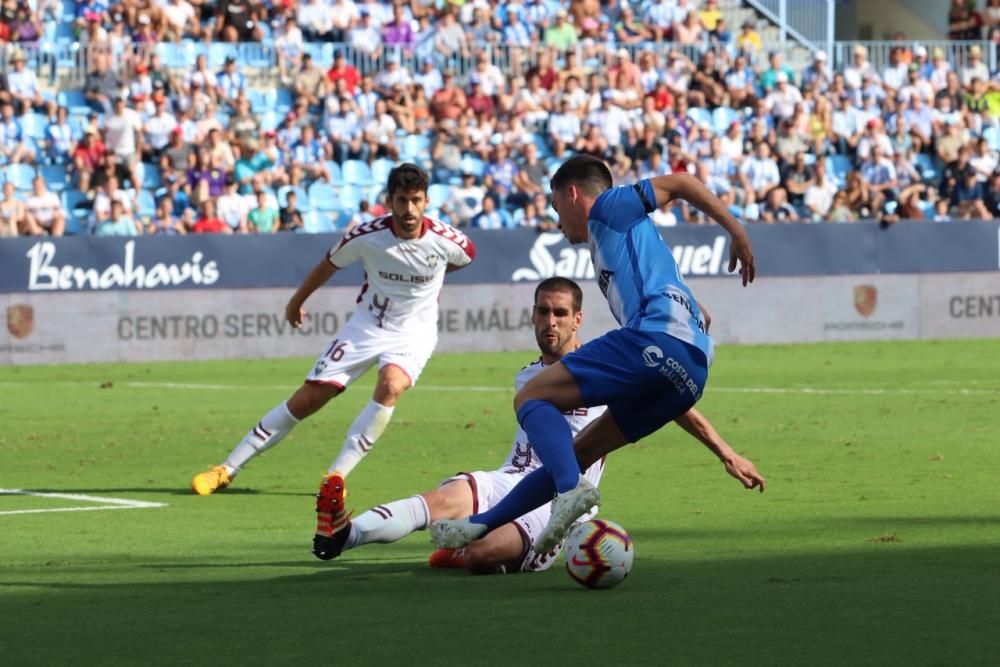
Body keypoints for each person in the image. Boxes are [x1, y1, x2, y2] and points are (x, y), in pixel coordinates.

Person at [431, 155, 762, 554]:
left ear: (573, 194)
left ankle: (570, 491)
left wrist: (736, 231)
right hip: (691, 374)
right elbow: (699, 318)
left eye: (556, 207)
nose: (557, 221)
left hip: (655, 341)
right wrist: (726, 452)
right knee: (579, 452)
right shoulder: (626, 245)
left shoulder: (609, 207)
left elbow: (681, 182)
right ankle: (480, 525)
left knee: (531, 396)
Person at [313, 277, 745, 571]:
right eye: (543, 312)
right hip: (510, 479)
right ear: (533, 315)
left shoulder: (607, 367)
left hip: (561, 499)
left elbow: (675, 404)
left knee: (483, 556)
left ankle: (465, 552)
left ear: (578, 319)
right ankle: (345, 535)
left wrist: (726, 453)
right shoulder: (528, 375)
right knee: (441, 499)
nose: (550, 322)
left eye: (560, 313)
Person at [188, 164, 477, 551]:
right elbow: (327, 265)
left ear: (427, 201)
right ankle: (226, 469)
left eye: (417, 201)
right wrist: (296, 301)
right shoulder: (366, 237)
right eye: (402, 200)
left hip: (414, 333)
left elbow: (463, 258)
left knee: (391, 385)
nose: (410, 209)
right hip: (365, 328)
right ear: (389, 201)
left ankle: (335, 477)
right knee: (307, 401)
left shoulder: (448, 240)